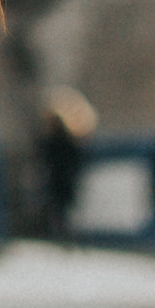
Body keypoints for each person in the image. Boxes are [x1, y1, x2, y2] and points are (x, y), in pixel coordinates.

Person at [36, 90, 94, 244]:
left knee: (63, 210)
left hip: (62, 179)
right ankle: (62, 236)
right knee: (60, 210)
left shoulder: (61, 141)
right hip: (60, 179)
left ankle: (65, 237)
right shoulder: (56, 141)